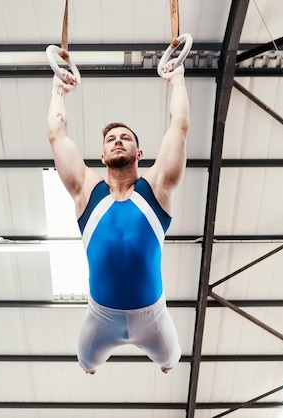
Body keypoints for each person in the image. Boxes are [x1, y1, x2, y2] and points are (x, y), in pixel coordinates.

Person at [47, 58, 189, 374]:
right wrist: (59, 89)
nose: (118, 141)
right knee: (86, 364)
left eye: (125, 138)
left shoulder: (158, 187)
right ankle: (93, 366)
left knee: (171, 361)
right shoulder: (86, 190)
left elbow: (179, 126)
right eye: (111, 139)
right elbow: (57, 135)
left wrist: (177, 79)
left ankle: (164, 365)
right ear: (102, 155)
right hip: (101, 318)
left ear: (139, 153)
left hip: (153, 317)